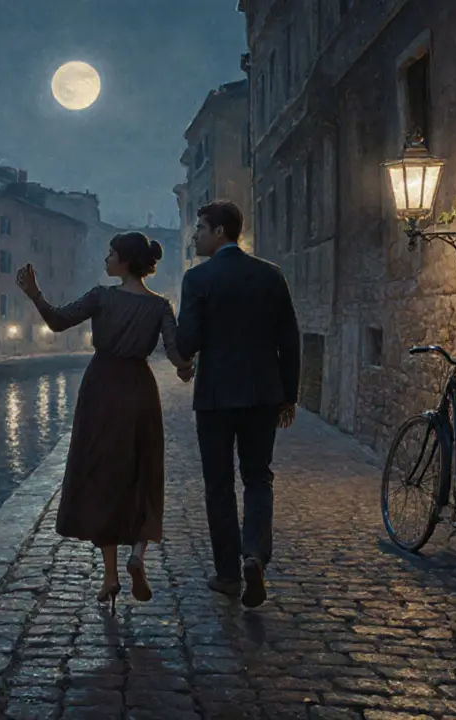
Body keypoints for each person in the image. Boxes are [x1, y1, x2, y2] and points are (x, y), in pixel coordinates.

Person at [16, 231, 193, 610]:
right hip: (139, 390)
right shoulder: (161, 306)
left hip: (101, 389)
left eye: (111, 254)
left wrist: (35, 294)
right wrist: (185, 369)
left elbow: (59, 321)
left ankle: (110, 575)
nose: (105, 259)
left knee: (103, 476)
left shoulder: (102, 296)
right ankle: (137, 555)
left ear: (125, 261)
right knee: (143, 471)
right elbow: (176, 353)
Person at [176, 200, 301, 609]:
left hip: (214, 398)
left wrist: (180, 350)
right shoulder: (271, 276)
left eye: (199, 228)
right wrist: (289, 395)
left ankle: (229, 574)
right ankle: (254, 556)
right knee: (258, 478)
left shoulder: (198, 279)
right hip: (262, 394)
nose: (194, 235)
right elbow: (290, 340)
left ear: (219, 232)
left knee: (218, 485)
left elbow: (188, 341)